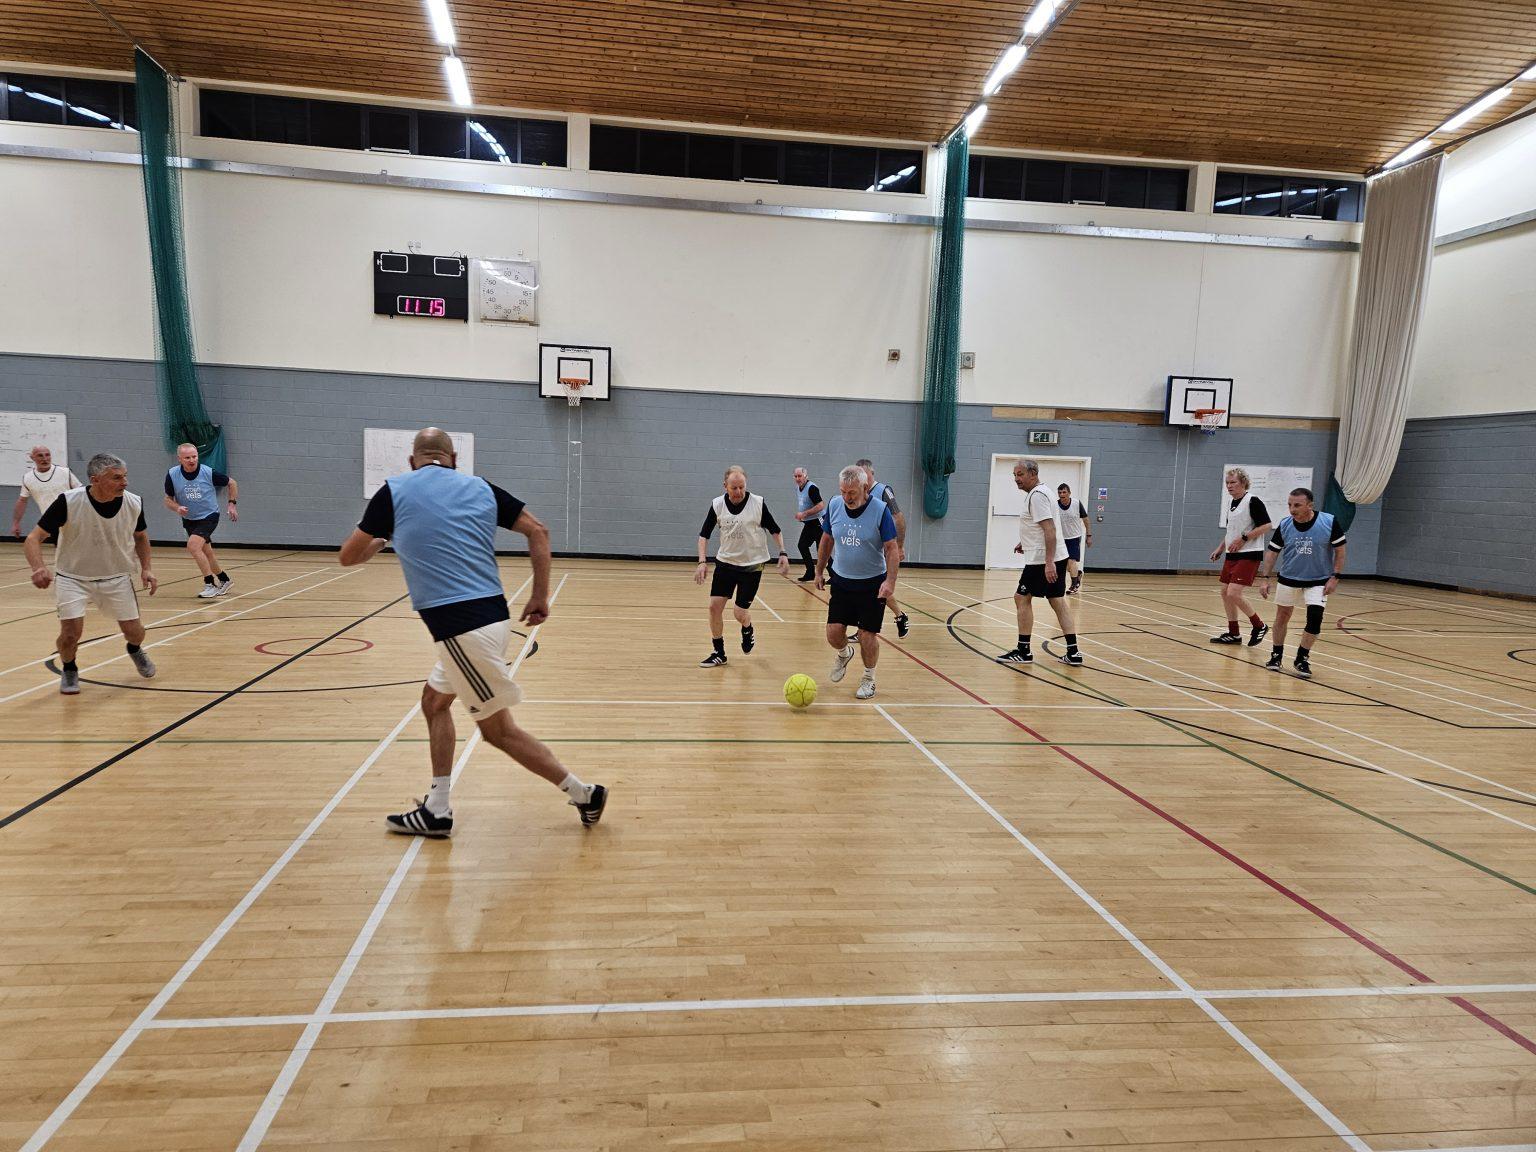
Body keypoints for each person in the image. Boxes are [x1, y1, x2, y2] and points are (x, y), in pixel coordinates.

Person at [339, 427, 607, 836]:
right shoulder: (480, 487)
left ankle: (584, 793)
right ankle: (438, 808)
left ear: (412, 461)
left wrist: (382, 538)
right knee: (434, 702)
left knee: (498, 731)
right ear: (453, 460)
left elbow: (348, 557)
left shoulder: (393, 491)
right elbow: (539, 530)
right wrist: (539, 596)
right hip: (490, 619)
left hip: (461, 630)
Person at [24, 453, 158, 695]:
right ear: (95, 480)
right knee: (70, 634)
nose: (124, 482)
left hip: (116, 576)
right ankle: (69, 668)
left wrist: (146, 568)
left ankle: (135, 649)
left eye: (125, 476)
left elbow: (140, 536)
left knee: (135, 632)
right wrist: (38, 567)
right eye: (116, 478)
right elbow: (33, 538)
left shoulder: (134, 502)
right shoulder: (68, 501)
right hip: (72, 577)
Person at [815, 464, 900, 700]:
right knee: (833, 633)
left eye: (851, 492)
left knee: (867, 635)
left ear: (864, 488)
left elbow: (892, 549)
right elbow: (826, 539)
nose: (846, 497)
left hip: (872, 583)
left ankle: (868, 679)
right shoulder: (834, 505)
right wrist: (819, 570)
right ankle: (844, 653)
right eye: (843, 491)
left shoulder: (880, 510)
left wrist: (890, 581)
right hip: (842, 580)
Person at [695, 466, 790, 666]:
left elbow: (775, 530)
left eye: (742, 487)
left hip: (752, 566)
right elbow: (704, 535)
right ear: (725, 486)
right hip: (726, 563)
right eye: (734, 488)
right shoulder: (717, 505)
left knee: (739, 612)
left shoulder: (758, 503)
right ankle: (718, 652)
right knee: (714, 608)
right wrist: (702, 561)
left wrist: (782, 552)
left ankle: (747, 627)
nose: (738, 492)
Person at [996, 460, 1082, 666]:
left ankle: (1024, 651)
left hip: (1042, 560)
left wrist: (1049, 562)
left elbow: (1050, 529)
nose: (1016, 479)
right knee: (1057, 601)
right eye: (1014, 475)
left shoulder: (1037, 497)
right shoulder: (1042, 492)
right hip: (1050, 556)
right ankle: (1073, 652)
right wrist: (1025, 542)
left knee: (1021, 597)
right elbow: (1041, 528)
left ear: (1033, 473)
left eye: (1020, 474)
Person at [1259, 487, 1346, 679]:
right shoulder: (1285, 524)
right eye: (1289, 505)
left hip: (1319, 580)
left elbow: (1340, 550)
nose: (1292, 509)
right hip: (1289, 577)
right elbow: (1272, 552)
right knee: (1282, 616)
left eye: (1297, 505)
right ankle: (1276, 654)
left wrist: (1335, 576)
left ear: (1310, 505)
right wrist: (1265, 578)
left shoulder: (1328, 522)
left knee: (1315, 620)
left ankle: (1302, 657)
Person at [164, 443, 239, 599]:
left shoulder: (207, 472)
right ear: (180, 459)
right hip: (190, 519)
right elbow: (168, 500)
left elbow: (232, 483)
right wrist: (177, 508)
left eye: (194, 456)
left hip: (209, 516)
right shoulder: (172, 474)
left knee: (193, 546)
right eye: (187, 457)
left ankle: (210, 584)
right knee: (207, 553)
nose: (192, 460)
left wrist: (232, 504)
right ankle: (225, 580)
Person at [1209, 467, 1273, 646]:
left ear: (1243, 483)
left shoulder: (1253, 501)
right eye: (1227, 483)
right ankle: (1234, 633)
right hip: (1232, 554)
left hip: (1249, 553)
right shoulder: (1231, 504)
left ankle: (1259, 625)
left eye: (1233, 482)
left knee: (1234, 592)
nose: (1229, 486)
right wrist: (1221, 548)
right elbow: (1232, 532)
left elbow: (1267, 525)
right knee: (1224, 592)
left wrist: (1245, 538)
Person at [854, 459, 911, 639]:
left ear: (871, 473)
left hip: (883, 548)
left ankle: (864, 628)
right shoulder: (857, 492)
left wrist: (899, 546)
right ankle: (900, 616)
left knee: (871, 588)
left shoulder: (883, 491)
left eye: (864, 473)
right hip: (865, 548)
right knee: (873, 588)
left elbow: (899, 518)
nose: (862, 477)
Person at [11, 444, 79, 540]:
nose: (45, 459)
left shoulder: (65, 472)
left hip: (73, 519)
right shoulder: (27, 478)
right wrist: (16, 523)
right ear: (32, 457)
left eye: (47, 455)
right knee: (60, 552)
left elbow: (81, 493)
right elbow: (22, 501)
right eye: (40, 455)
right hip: (53, 522)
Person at [1055, 483, 1091, 594]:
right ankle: (1078, 574)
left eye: (1064, 492)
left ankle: (1074, 585)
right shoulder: (1055, 505)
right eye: (1060, 492)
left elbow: (1086, 520)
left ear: (1069, 493)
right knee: (1067, 566)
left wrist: (1089, 536)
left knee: (1072, 561)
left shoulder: (1076, 503)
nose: (1062, 494)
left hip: (1074, 537)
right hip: (1061, 538)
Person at [791, 467, 826, 582]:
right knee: (802, 545)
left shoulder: (812, 488)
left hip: (819, 522)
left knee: (822, 549)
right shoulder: (798, 488)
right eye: (795, 476)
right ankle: (810, 572)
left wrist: (805, 513)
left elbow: (821, 505)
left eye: (800, 476)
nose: (797, 478)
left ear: (806, 476)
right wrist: (802, 516)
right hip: (810, 523)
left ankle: (834, 575)